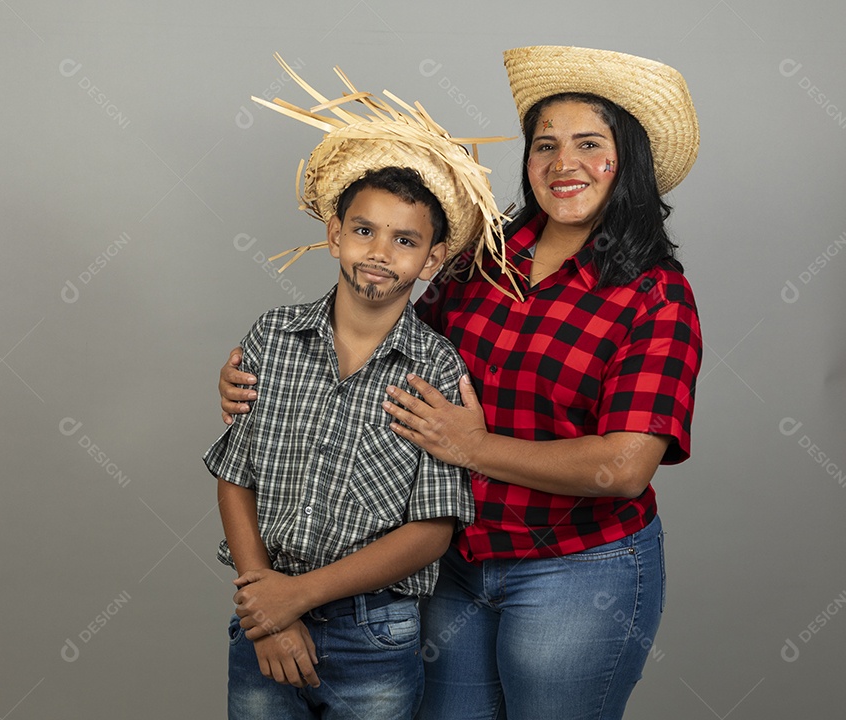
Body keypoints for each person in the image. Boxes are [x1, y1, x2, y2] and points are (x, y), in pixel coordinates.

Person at [220, 46, 704, 719]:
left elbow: (623, 467)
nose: (562, 164)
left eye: (590, 145)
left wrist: (474, 448)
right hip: (454, 561)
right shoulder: (484, 256)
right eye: (545, 146)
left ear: (629, 163)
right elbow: (386, 351)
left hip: (575, 566)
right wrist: (263, 373)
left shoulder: (655, 296)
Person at [205, 56, 509, 720]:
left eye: (405, 241)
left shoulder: (436, 371)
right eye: (364, 230)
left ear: (431, 259)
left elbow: (431, 531)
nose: (379, 252)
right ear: (334, 234)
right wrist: (268, 602)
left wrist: (299, 596)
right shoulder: (273, 337)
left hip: (375, 632)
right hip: (264, 611)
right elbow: (235, 477)